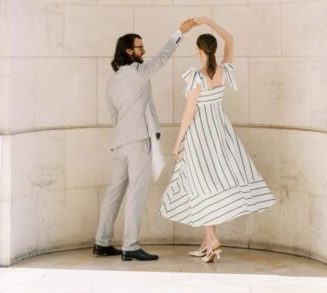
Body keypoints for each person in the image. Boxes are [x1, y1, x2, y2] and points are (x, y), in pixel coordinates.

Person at [160, 16, 276, 262]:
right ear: (213, 50)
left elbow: (189, 113)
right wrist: (208, 21)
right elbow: (230, 39)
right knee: (210, 181)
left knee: (201, 184)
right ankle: (206, 243)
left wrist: (178, 141)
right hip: (221, 132)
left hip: (200, 135)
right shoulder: (224, 72)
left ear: (199, 50)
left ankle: (212, 240)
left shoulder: (196, 77)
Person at [94, 18, 198, 261]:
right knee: (136, 193)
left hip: (120, 142)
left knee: (114, 192)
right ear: (129, 51)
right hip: (138, 141)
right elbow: (162, 57)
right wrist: (179, 33)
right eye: (140, 48)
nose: (145, 51)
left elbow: (114, 114)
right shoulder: (138, 72)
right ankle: (130, 246)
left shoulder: (112, 81)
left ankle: (102, 242)